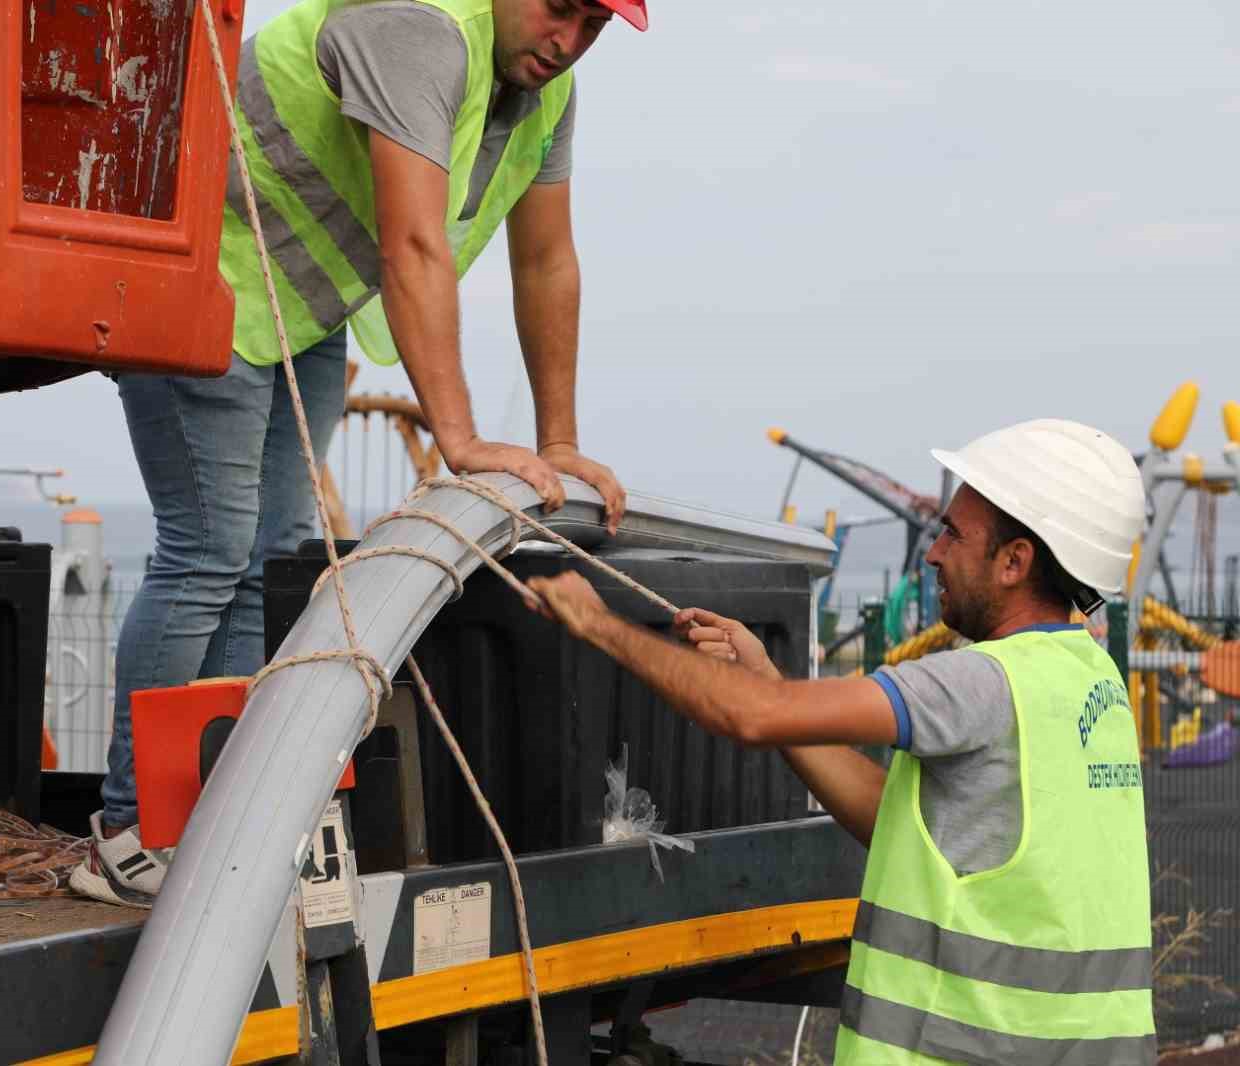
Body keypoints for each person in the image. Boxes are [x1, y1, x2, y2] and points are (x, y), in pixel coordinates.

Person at [73, 0, 644, 907]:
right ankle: (126, 829)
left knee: (273, 561)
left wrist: (560, 444)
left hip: (302, 304)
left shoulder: (547, 91)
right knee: (210, 548)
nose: (568, 41)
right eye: (559, 10)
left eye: (595, 28)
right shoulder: (418, 28)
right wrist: (457, 439)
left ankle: (208, 817)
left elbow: (547, 264)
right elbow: (415, 246)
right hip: (203, 269)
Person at [526, 419, 1157, 1065]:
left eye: (952, 534)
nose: (933, 552)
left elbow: (749, 717)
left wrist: (598, 623)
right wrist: (768, 680)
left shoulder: (983, 681)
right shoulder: (1088, 679)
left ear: (1014, 562)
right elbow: (913, 829)